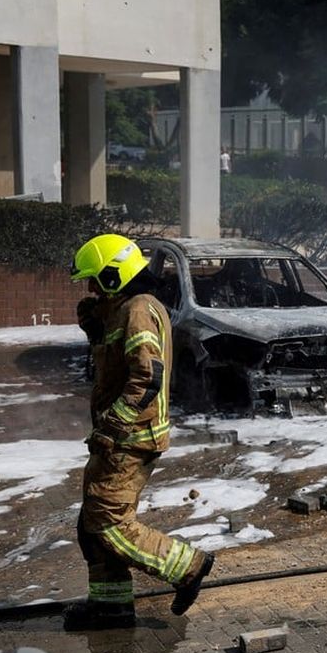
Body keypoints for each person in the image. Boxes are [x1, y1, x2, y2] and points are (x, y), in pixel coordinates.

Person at [64, 234, 214, 630]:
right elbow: (116, 362)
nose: (92, 289)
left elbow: (147, 378)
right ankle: (110, 608)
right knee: (92, 528)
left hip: (129, 437)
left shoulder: (139, 310)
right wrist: (95, 325)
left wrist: (111, 427)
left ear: (115, 276)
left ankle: (189, 567)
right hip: (121, 435)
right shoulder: (124, 309)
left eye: (96, 280)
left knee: (109, 525)